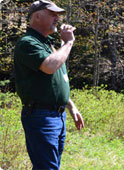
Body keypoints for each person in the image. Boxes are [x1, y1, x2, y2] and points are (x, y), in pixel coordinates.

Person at [14, 0, 84, 169]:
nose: (57, 18)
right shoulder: (28, 43)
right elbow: (50, 67)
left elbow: (55, 81)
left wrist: (71, 106)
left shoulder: (47, 43)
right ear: (37, 16)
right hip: (41, 116)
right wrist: (68, 43)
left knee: (50, 166)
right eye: (52, 14)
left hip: (56, 116)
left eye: (58, 15)